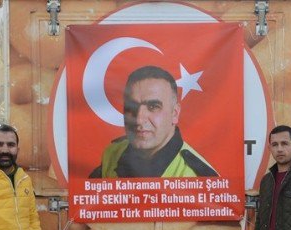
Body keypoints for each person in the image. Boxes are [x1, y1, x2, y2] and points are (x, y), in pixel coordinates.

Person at [90, 65, 218, 178]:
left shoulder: (199, 178)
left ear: (175, 113)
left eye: (153, 107)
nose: (139, 120)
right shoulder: (113, 152)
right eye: (131, 107)